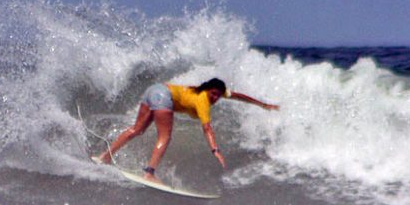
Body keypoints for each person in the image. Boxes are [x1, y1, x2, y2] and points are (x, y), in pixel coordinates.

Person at [95, 77, 279, 183]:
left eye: (218, 95)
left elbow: (237, 95)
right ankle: (149, 173)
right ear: (206, 90)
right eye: (212, 93)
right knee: (165, 137)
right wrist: (215, 150)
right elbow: (207, 128)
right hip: (163, 96)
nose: (215, 97)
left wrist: (262, 104)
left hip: (154, 89)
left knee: (137, 130)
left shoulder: (212, 93)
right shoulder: (202, 101)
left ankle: (105, 157)